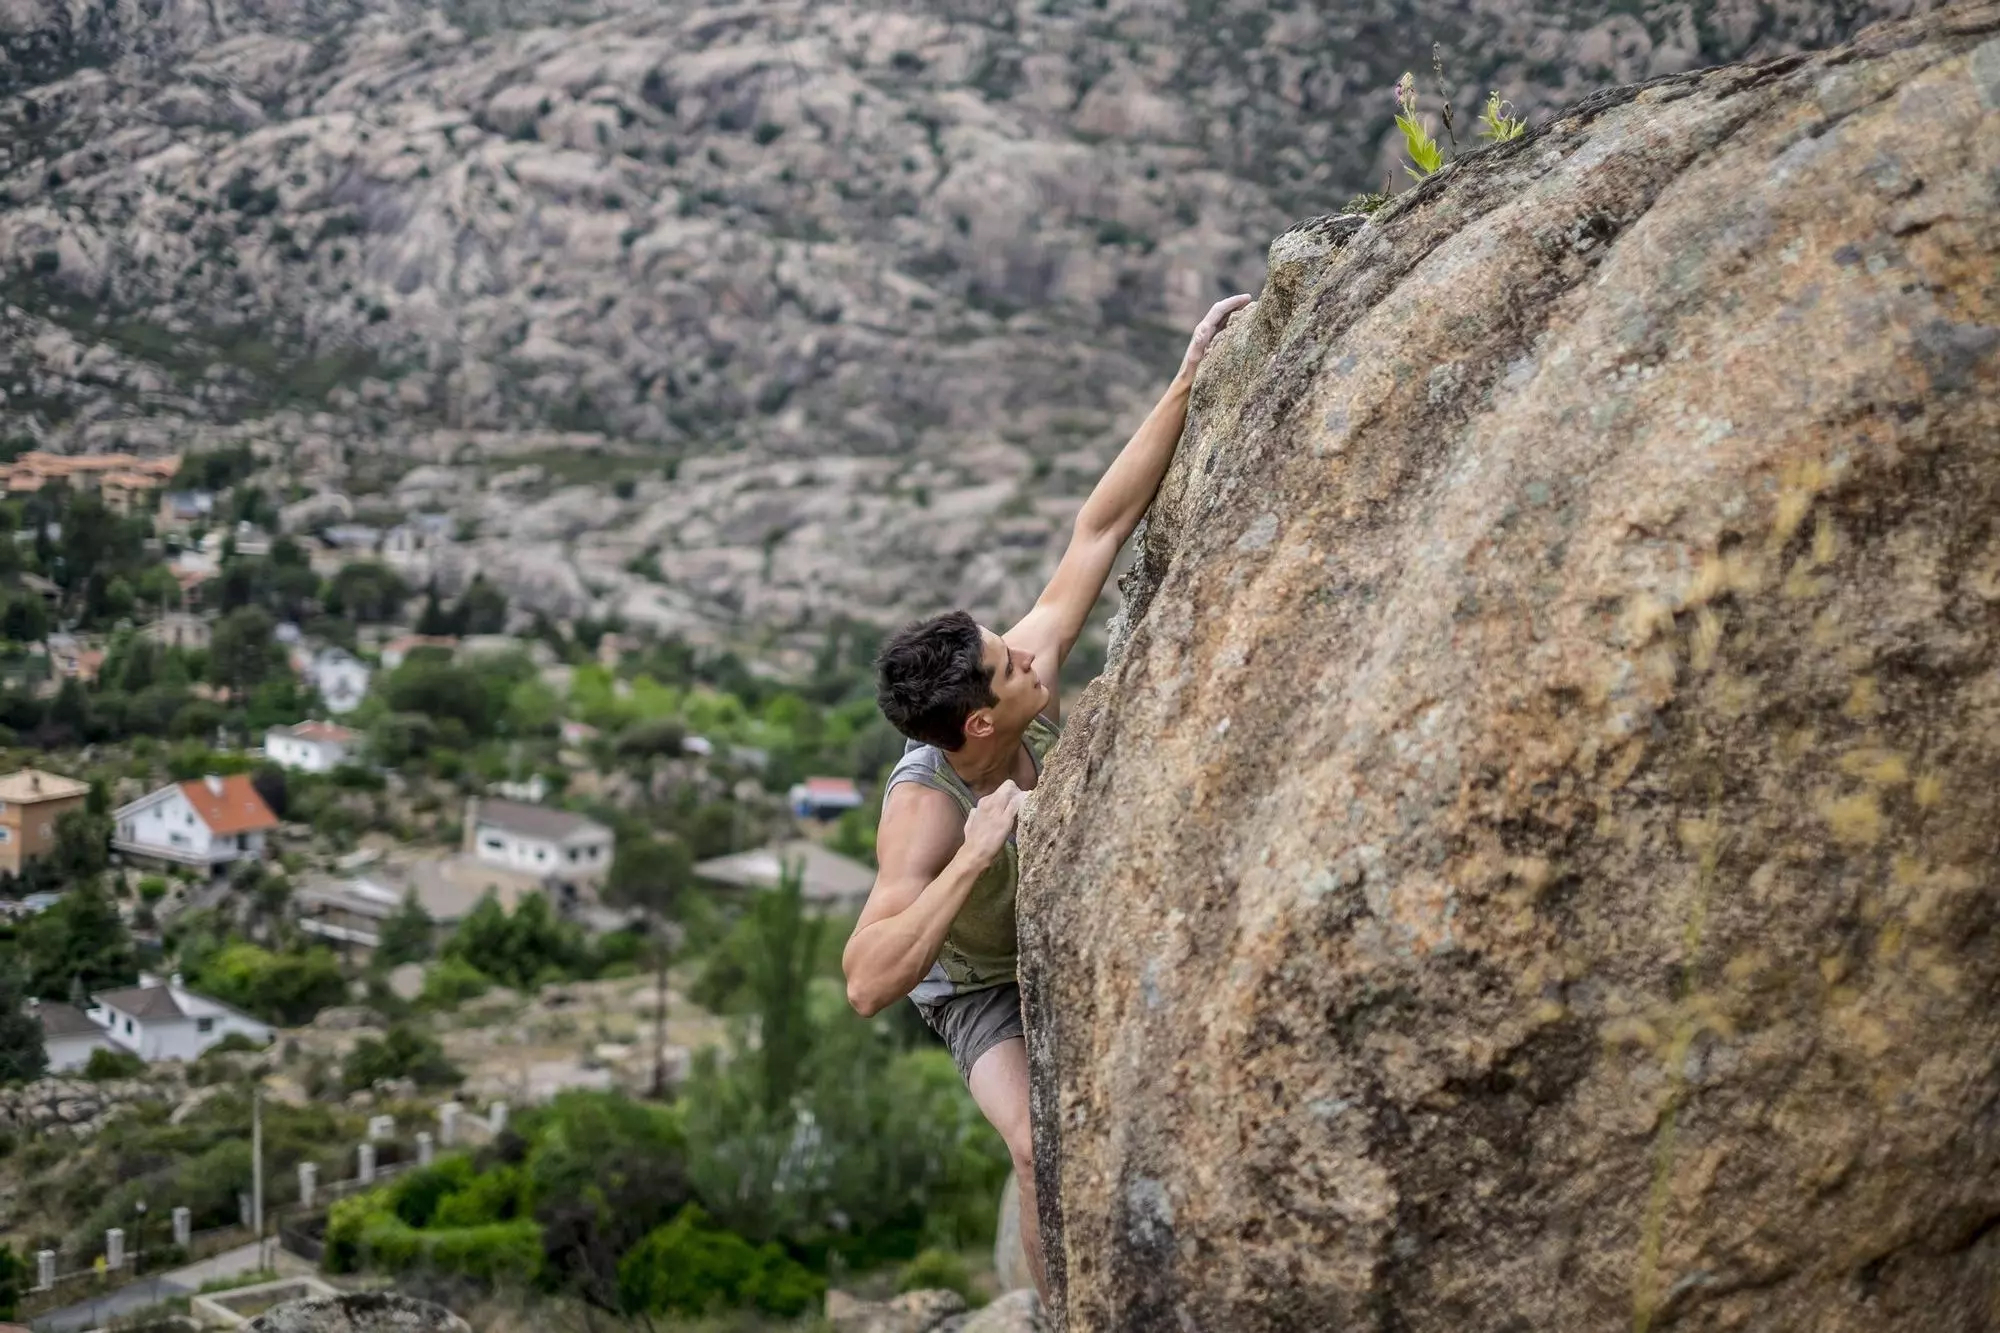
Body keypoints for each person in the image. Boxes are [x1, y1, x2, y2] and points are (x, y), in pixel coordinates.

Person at [842, 292, 1255, 1300]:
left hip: (1058, 928)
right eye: (1005, 663)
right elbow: (864, 980)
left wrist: (1190, 375)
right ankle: (1058, 1316)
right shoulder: (925, 805)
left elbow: (1098, 526)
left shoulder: (1021, 672)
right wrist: (976, 856)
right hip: (974, 981)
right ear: (979, 722)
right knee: (1038, 1143)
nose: (1028, 651)